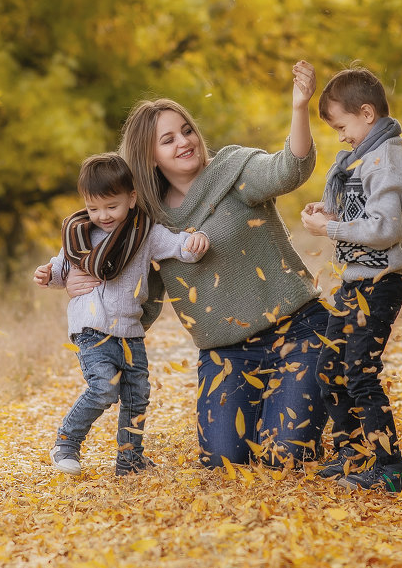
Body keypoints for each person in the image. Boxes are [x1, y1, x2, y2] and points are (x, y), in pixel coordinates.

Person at [64, 61, 326, 469]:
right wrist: (85, 290)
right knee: (224, 463)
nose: (184, 141)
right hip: (226, 354)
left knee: (284, 457)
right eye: (167, 140)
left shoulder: (235, 171)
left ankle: (314, 415)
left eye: (186, 130)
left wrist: (299, 107)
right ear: (149, 158)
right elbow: (136, 296)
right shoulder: (145, 224)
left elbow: (290, 169)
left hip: (297, 331)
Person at [34, 153, 210, 476]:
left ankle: (130, 460)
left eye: (111, 206)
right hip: (92, 327)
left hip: (129, 330)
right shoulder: (80, 235)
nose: (102, 216)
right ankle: (66, 442)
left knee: (136, 393)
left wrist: (195, 242)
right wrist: (48, 274)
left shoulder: (144, 234)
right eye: (93, 208)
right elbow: (61, 268)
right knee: (104, 386)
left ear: (131, 198)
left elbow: (177, 246)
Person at [300, 66, 402, 493]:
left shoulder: (388, 163)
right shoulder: (362, 159)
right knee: (330, 369)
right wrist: (332, 216)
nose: (340, 135)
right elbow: (362, 219)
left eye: (341, 125)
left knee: (360, 373)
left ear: (366, 114)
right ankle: (355, 453)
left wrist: (330, 230)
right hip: (354, 284)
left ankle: (389, 468)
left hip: (380, 283)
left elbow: (385, 230)